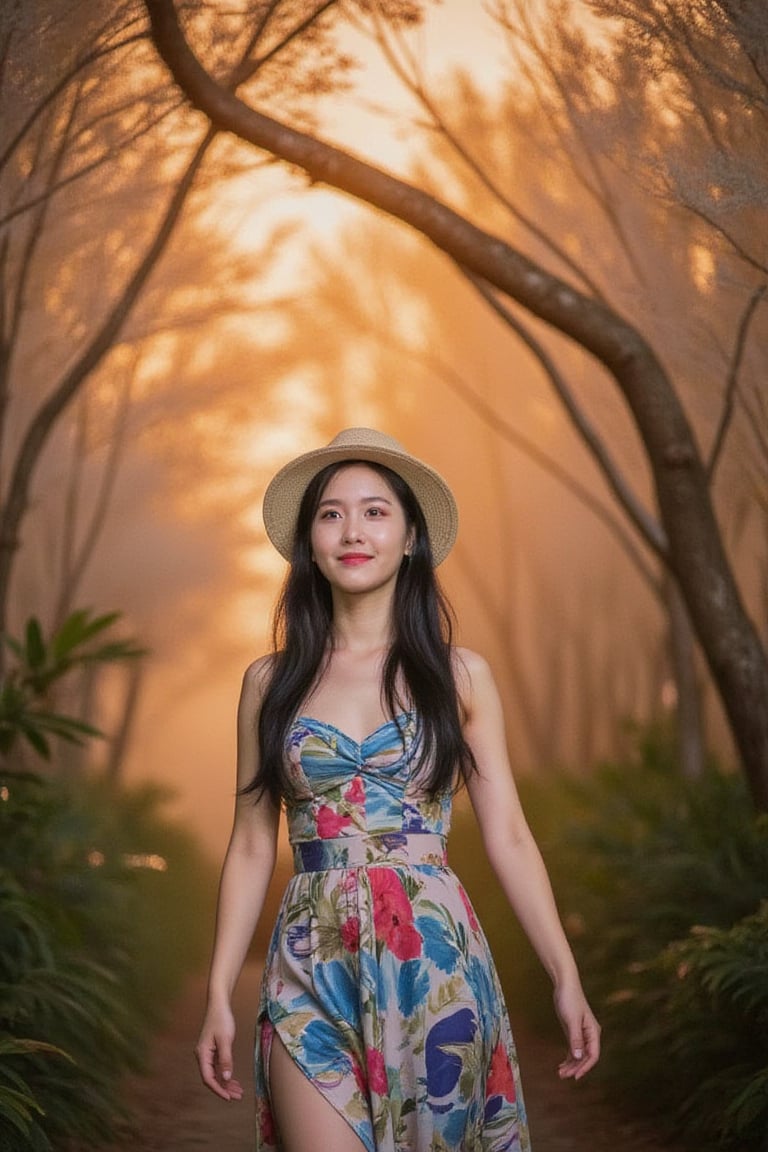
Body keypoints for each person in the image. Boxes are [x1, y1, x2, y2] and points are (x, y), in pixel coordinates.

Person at [195, 427, 600, 1152]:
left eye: (375, 511)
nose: (352, 530)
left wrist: (563, 974)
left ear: (411, 536)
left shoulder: (460, 675)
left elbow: (507, 833)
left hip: (433, 957)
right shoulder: (269, 681)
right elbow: (253, 841)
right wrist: (218, 990)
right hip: (308, 957)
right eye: (330, 513)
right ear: (309, 542)